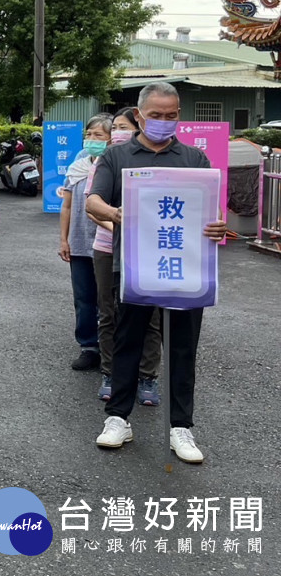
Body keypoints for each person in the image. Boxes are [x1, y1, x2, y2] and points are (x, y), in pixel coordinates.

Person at [88, 82, 226, 464]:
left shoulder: (194, 159)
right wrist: (115, 212)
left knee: (183, 346)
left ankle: (181, 426)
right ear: (140, 115)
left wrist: (217, 225)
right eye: (156, 115)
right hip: (135, 267)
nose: (164, 122)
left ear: (178, 114)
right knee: (127, 340)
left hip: (184, 269)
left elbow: (212, 213)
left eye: (171, 115)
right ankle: (118, 418)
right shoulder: (116, 157)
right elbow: (93, 202)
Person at [89, 107, 162, 404]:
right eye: (115, 127)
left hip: (147, 249)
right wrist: (122, 228)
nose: (119, 132)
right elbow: (92, 206)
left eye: (123, 127)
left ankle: (147, 377)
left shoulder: (155, 164)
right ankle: (110, 372)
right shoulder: (106, 160)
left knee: (151, 315)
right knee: (108, 313)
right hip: (107, 248)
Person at [57, 113, 112, 373]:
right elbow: (67, 205)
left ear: (111, 139)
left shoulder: (114, 165)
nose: (92, 140)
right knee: (83, 298)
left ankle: (109, 348)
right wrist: (63, 239)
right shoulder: (78, 164)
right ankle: (88, 347)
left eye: (99, 136)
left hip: (107, 243)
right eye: (89, 135)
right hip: (79, 241)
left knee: (108, 299)